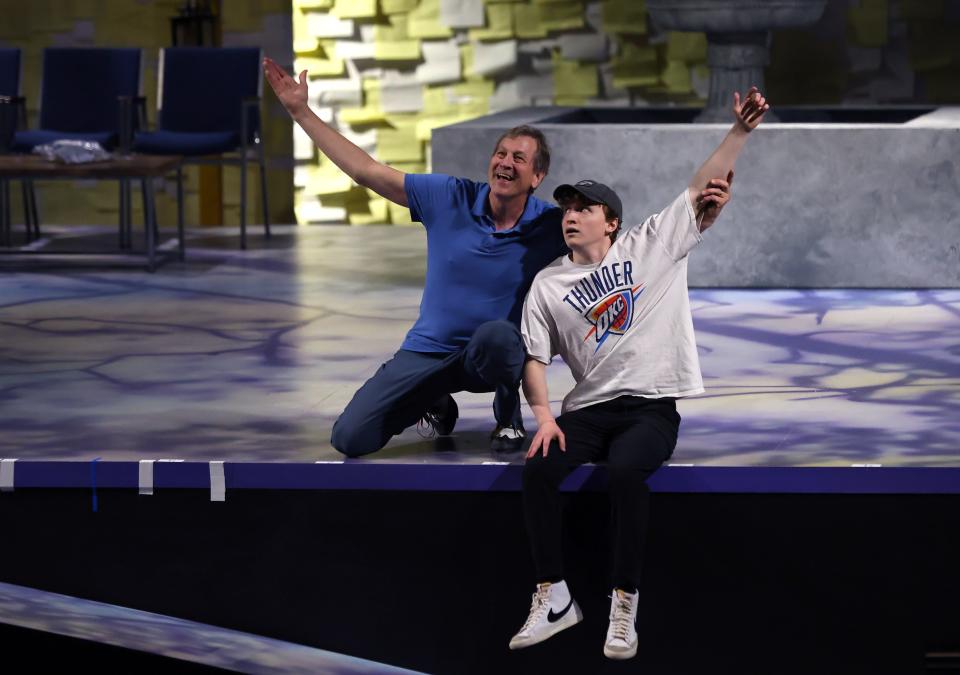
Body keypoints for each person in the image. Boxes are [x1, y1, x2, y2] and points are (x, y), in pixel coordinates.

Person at [508, 88, 769, 659]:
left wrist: (739, 133)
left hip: (649, 408)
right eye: (567, 208)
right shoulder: (547, 284)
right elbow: (533, 354)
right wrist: (546, 416)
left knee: (627, 473)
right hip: (587, 412)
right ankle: (553, 596)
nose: (571, 215)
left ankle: (623, 603)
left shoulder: (649, 246)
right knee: (537, 471)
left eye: (584, 208)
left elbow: (702, 188)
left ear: (612, 222)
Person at [262, 58, 567, 456]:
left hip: (489, 356)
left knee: (500, 337)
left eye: (518, 159)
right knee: (350, 439)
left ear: (537, 177)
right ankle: (434, 398)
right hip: (428, 350)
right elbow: (367, 171)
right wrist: (301, 112)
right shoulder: (448, 196)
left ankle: (507, 415)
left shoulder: (549, 224)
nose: (505, 163)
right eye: (500, 154)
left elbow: (609, 239)